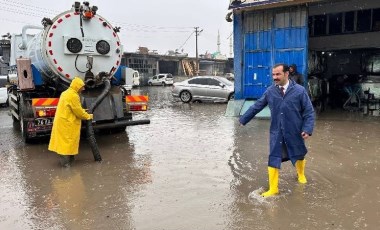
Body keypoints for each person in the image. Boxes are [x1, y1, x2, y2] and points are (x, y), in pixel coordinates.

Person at [239, 63, 315, 197]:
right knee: (273, 158)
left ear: (286, 74)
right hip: (277, 131)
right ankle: (273, 189)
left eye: (278, 74)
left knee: (299, 153)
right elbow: (257, 106)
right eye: (273, 74)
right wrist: (243, 119)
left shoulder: (299, 91)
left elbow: (309, 111)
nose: (275, 77)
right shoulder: (270, 91)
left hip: (294, 130)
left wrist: (307, 129)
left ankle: (301, 174)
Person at [49, 77, 93, 167]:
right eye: (82, 87)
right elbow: (78, 112)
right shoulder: (73, 96)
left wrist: (83, 110)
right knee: (66, 145)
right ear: (77, 86)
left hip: (62, 122)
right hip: (66, 124)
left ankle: (68, 166)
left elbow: (71, 108)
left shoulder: (65, 93)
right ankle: (66, 168)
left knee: (64, 144)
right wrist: (88, 116)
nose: (83, 89)